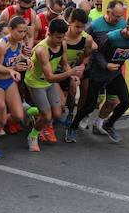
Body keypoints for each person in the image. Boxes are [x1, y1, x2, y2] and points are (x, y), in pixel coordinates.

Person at [67, 14, 129, 143]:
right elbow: (96, 52)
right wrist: (106, 64)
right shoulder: (112, 37)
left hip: (115, 75)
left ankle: (108, 124)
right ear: (127, 28)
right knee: (90, 106)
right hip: (98, 74)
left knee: (126, 102)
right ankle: (72, 127)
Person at [24, 18, 84, 152]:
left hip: (48, 81)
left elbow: (64, 63)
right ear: (49, 33)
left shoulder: (63, 44)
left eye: (63, 37)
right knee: (47, 116)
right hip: (36, 82)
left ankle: (29, 110)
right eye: (58, 37)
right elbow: (50, 77)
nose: (60, 40)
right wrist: (70, 73)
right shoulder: (42, 50)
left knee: (57, 113)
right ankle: (32, 135)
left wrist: (72, 74)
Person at [0, 16, 32, 158]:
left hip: (9, 81)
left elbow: (18, 55)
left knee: (18, 115)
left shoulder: (19, 42)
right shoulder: (2, 45)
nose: (22, 35)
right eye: (19, 32)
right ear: (10, 30)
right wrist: (12, 69)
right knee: (1, 119)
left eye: (24, 32)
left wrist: (27, 59)